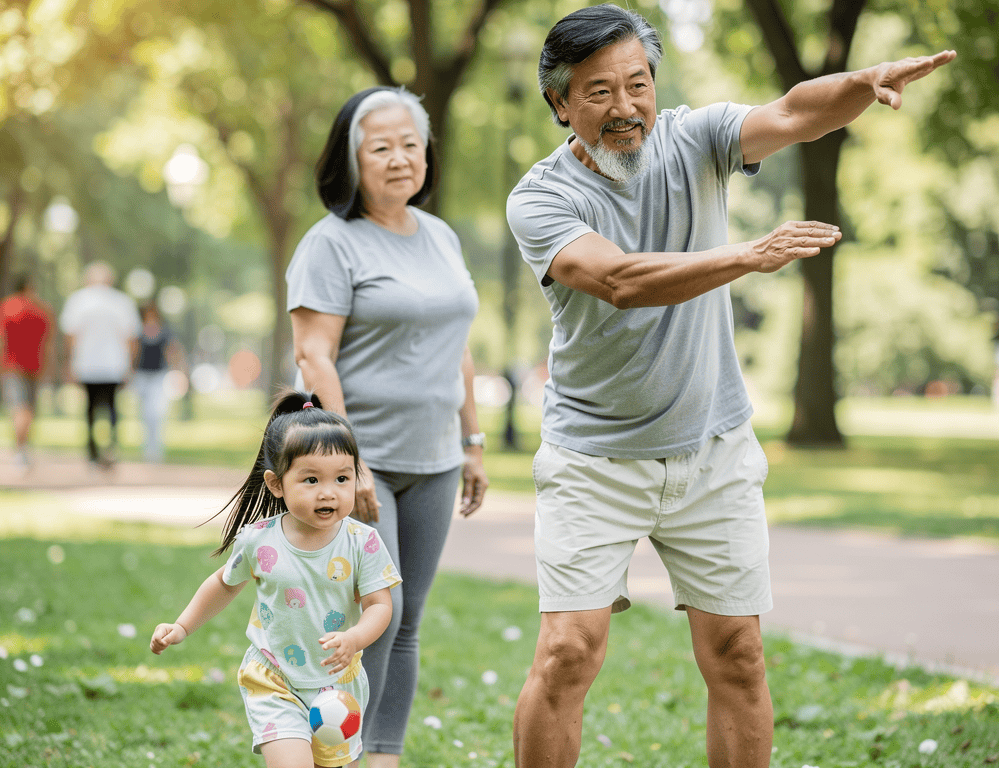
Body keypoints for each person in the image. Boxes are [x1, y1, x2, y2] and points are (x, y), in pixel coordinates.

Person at [505, 5, 955, 768]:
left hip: (713, 450)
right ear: (560, 104)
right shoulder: (541, 198)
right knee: (566, 655)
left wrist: (862, 81)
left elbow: (792, 112)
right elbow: (616, 279)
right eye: (599, 92)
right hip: (595, 462)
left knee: (739, 653)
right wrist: (748, 255)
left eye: (637, 84)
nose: (626, 108)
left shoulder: (694, 137)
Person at [286, 85, 489, 766]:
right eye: (382, 147)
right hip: (359, 462)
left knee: (406, 622)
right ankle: (327, 751)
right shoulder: (331, 244)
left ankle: (382, 756)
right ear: (352, 161)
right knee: (377, 616)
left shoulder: (441, 237)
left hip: (435, 458)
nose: (401, 159)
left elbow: (456, 346)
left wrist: (473, 441)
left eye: (411, 144)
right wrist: (351, 466)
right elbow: (314, 356)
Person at [150, 391, 401, 768]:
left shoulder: (362, 541)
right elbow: (224, 583)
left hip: (336, 685)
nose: (328, 492)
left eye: (342, 478)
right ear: (276, 484)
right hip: (274, 679)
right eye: (311, 479)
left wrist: (355, 638)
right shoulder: (259, 539)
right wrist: (183, 625)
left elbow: (380, 605)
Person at [59, 261, 141, 466]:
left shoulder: (78, 300)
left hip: (87, 364)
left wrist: (69, 362)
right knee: (112, 407)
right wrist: (130, 364)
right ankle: (111, 446)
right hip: (114, 365)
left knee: (90, 407)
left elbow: (71, 336)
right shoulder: (122, 301)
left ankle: (92, 451)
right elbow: (130, 338)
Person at [0, 274, 55, 467]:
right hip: (35, 367)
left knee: (19, 409)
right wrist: (50, 367)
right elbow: (49, 343)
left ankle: (20, 449)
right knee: (29, 410)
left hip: (11, 366)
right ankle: (23, 448)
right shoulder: (42, 310)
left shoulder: (5, 308)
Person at [134, 301, 183, 463]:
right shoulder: (138, 331)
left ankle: (155, 449)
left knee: (156, 413)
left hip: (158, 376)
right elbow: (133, 352)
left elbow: (173, 350)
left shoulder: (164, 332)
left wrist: (178, 370)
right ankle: (148, 447)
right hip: (142, 376)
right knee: (145, 415)